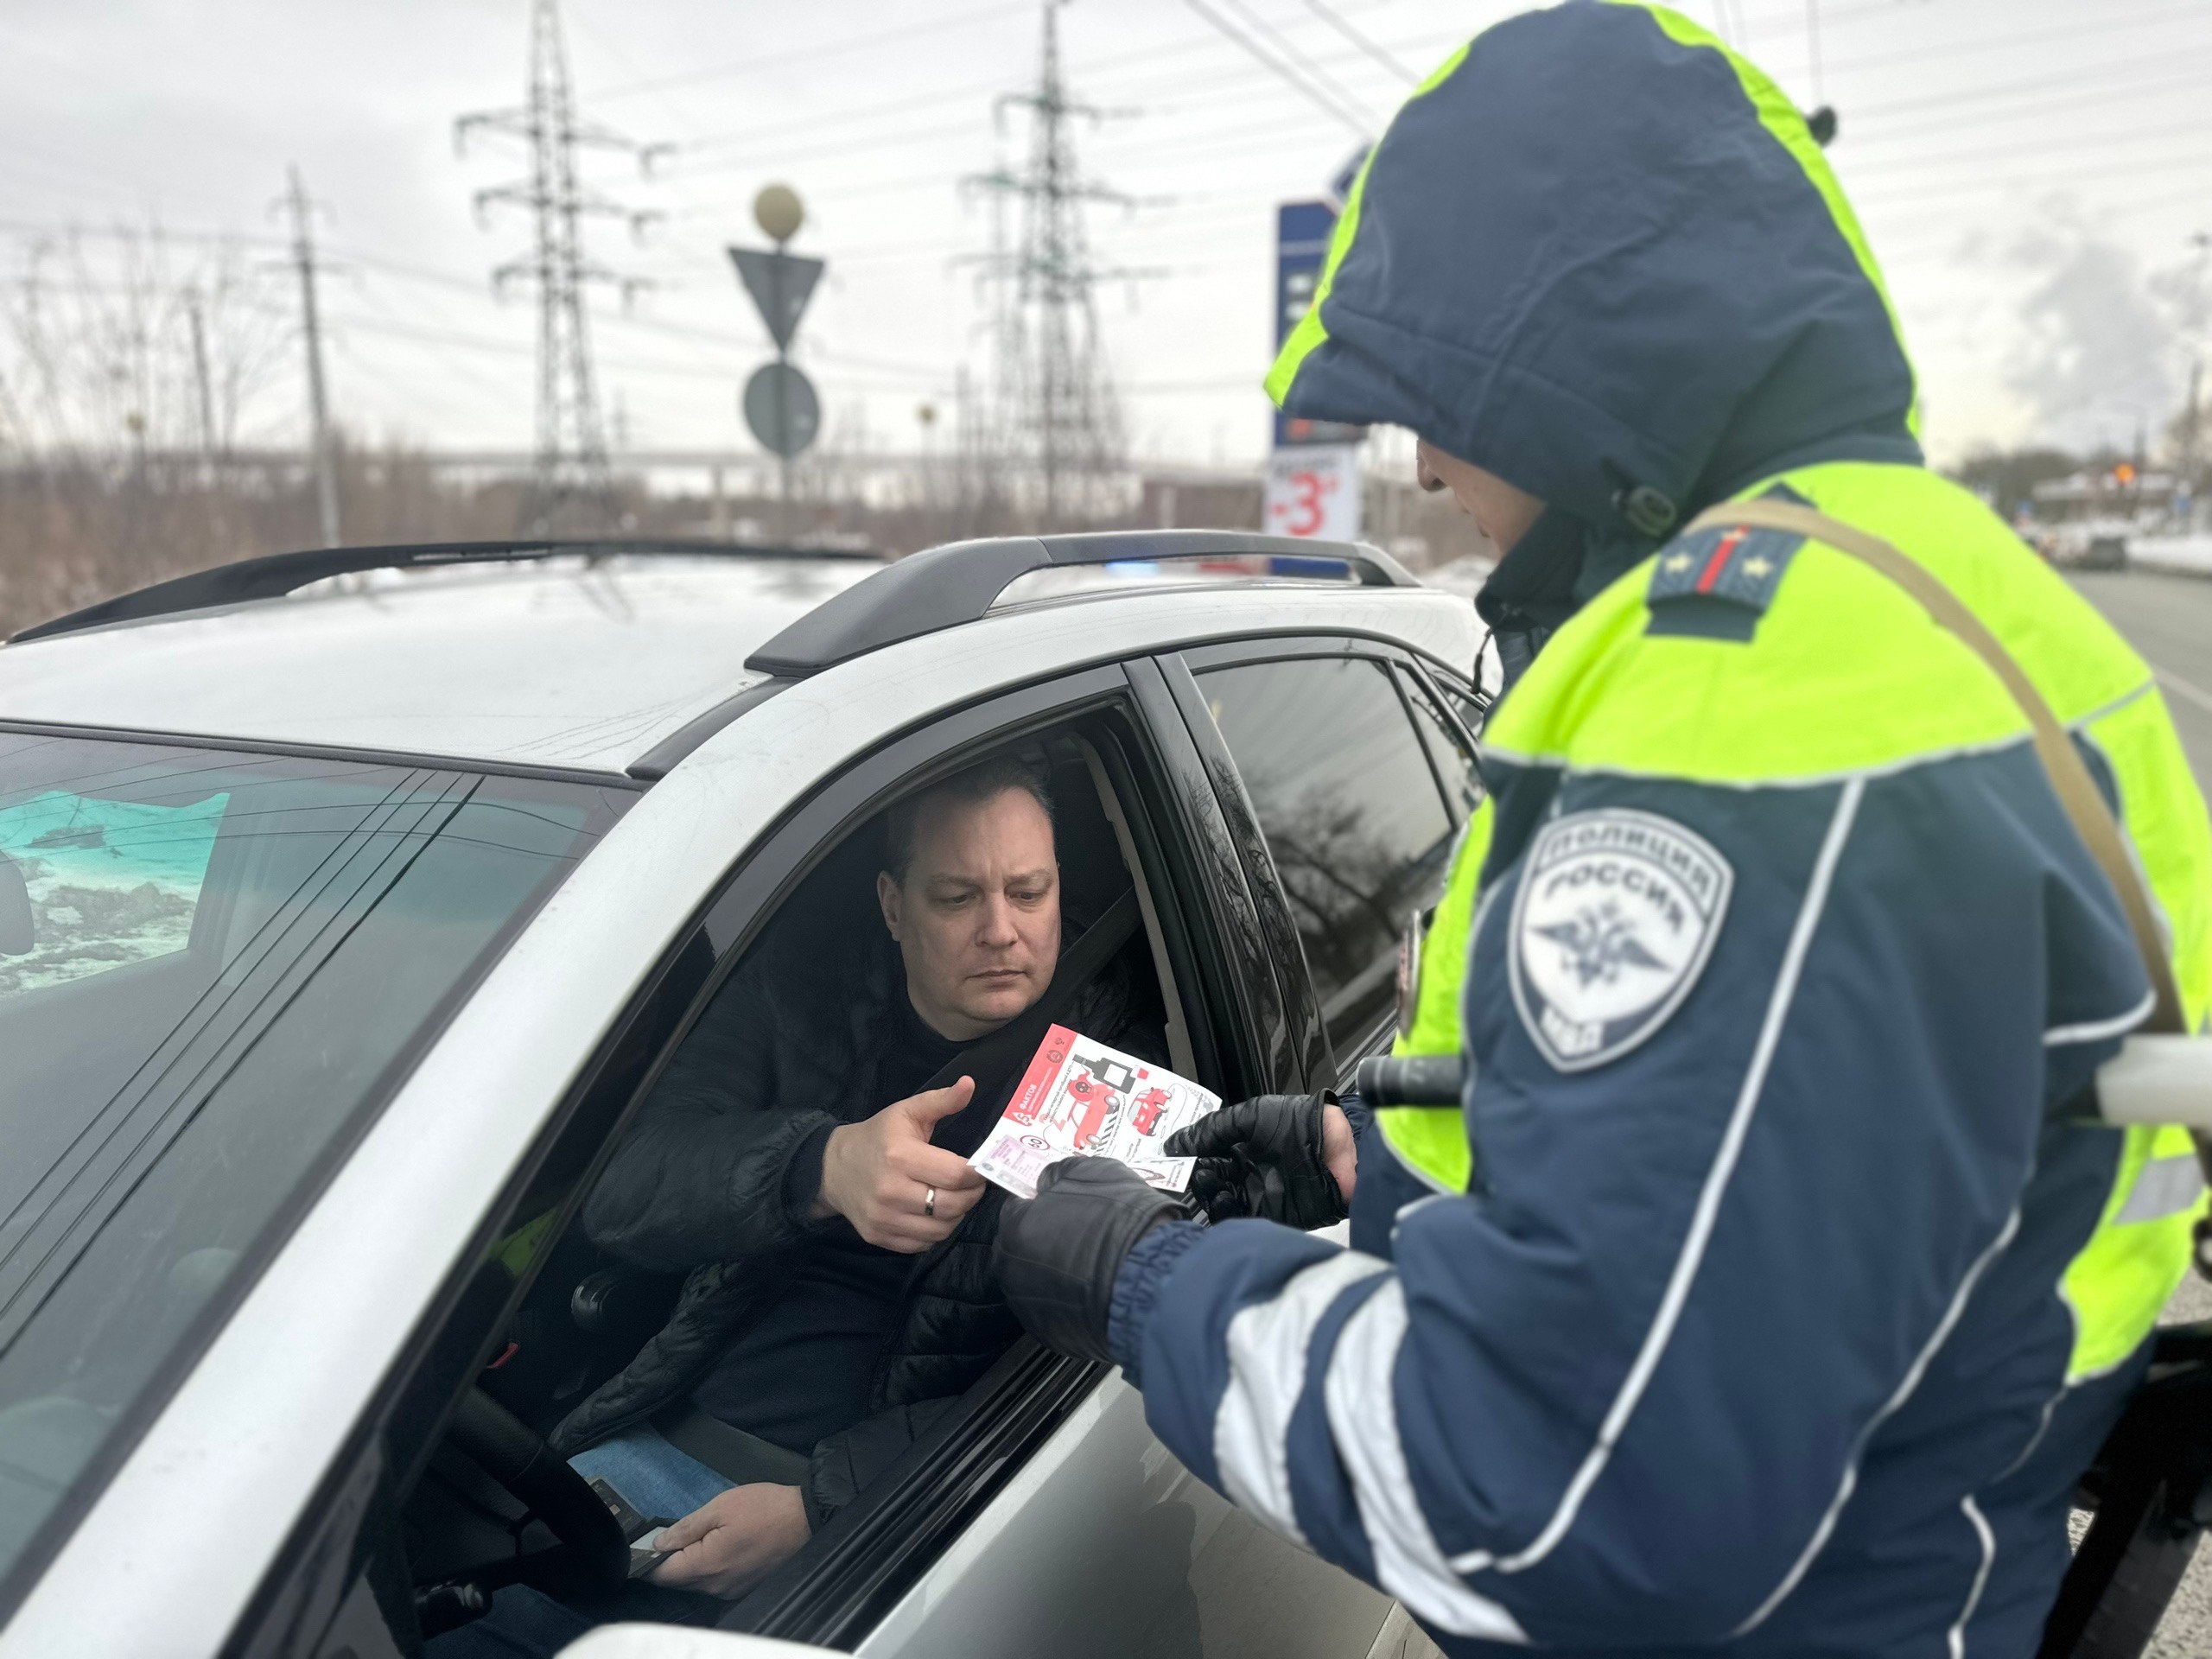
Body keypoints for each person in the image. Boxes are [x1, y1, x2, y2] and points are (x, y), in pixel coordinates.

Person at [994, 5, 2212, 1656]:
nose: (1423, 468)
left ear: (1569, 367)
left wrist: (1144, 1281)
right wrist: (1380, 1166)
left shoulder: (1744, 697)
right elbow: (1860, 1129)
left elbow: (1572, 1494)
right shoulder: (1942, 594)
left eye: (1441, 392)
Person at [550, 751, 1166, 1602]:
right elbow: (623, 1193)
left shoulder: (1129, 1078)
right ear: (891, 905)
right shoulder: (799, 994)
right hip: (663, 1435)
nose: (1000, 930)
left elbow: (1097, 1381)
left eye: (1029, 893)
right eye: (956, 897)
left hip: (890, 1526)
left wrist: (826, 1504)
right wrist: (818, 1167)